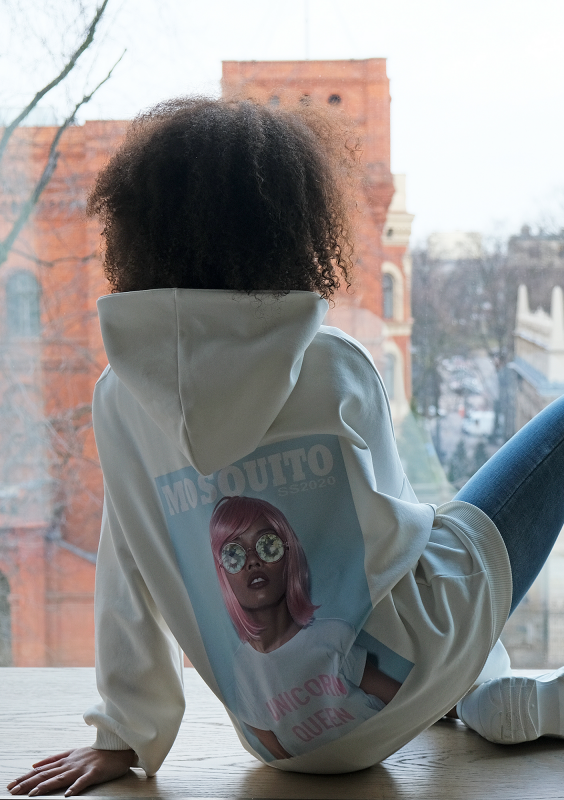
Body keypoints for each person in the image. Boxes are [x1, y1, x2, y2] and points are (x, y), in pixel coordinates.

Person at [7, 96, 564, 797]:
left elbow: (128, 565)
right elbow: (395, 544)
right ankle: (473, 680)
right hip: (400, 672)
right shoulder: (333, 364)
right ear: (291, 229)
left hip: (281, 734)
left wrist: (123, 733)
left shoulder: (119, 398)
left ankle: (484, 689)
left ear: (138, 233)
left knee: (444, 575)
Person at [210, 495, 400, 759]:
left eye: (268, 545)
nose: (253, 561)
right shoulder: (242, 668)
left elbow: (402, 700)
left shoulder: (333, 634)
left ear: (290, 556)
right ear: (222, 573)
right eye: (233, 554)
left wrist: (447, 708)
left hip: (378, 750)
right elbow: (278, 753)